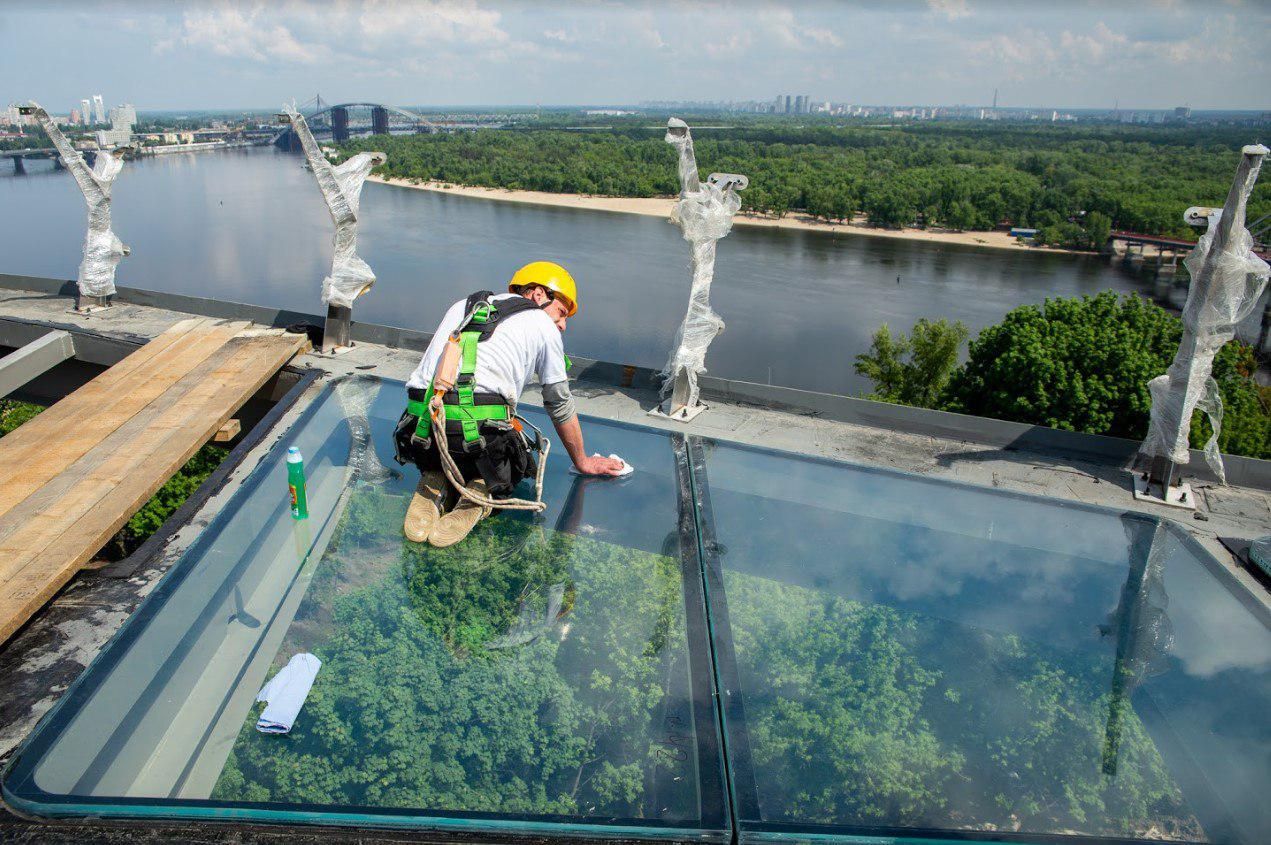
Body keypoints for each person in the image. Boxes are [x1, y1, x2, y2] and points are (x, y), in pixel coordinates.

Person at [395, 261, 625, 547]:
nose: (563, 324)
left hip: (418, 429)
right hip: (473, 437)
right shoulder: (543, 325)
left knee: (455, 425)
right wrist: (583, 461)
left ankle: (434, 475)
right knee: (515, 458)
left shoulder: (464, 304)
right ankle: (481, 489)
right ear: (538, 295)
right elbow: (559, 404)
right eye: (562, 312)